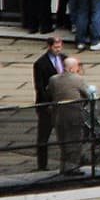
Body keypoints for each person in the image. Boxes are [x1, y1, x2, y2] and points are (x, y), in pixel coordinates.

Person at [48, 57, 92, 175]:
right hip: (74, 115)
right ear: (72, 68)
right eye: (77, 67)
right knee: (74, 142)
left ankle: (63, 167)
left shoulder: (53, 79)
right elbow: (88, 95)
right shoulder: (78, 79)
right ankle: (72, 168)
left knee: (62, 142)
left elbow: (50, 93)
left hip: (58, 115)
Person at [33, 36, 66, 171]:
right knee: (43, 137)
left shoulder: (64, 59)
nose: (58, 49)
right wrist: (48, 104)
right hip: (47, 106)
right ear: (49, 46)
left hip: (63, 104)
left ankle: (67, 164)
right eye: (55, 47)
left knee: (66, 136)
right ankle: (42, 166)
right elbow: (39, 87)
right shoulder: (40, 63)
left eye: (60, 47)